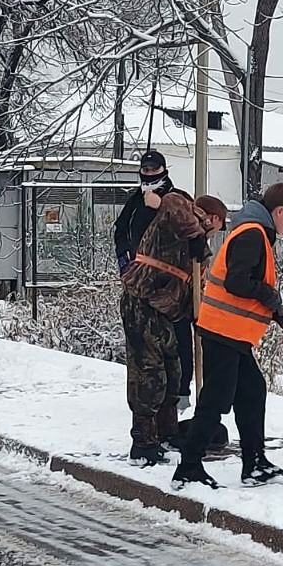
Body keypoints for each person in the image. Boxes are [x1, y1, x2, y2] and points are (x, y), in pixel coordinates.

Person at [172, 182, 283, 490]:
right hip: (223, 331)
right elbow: (238, 282)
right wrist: (271, 299)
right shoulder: (252, 235)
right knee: (215, 400)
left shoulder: (255, 233)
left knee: (252, 391)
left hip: (232, 333)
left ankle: (255, 463)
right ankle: (189, 466)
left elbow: (250, 287)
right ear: (279, 211)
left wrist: (278, 312)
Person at [120, 191, 227, 465]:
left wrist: (198, 318)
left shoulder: (191, 250)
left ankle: (166, 431)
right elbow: (170, 200)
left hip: (164, 309)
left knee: (172, 369)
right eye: (217, 228)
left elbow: (192, 290)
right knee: (149, 373)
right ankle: (142, 441)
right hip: (141, 301)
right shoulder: (182, 212)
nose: (214, 235)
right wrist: (197, 236)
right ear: (213, 218)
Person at [114, 150, 196, 410]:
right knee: (147, 345)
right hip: (140, 282)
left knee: (178, 337)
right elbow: (120, 230)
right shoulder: (135, 201)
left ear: (164, 170)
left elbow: (189, 230)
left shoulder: (175, 199)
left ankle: (180, 392)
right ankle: (151, 403)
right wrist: (125, 262)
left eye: (153, 169)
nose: (149, 174)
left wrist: (159, 207)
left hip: (169, 283)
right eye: (145, 169)